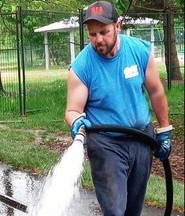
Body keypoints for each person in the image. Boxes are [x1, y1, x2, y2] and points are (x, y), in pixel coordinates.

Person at [64, 1, 172, 216]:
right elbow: (72, 110)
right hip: (106, 143)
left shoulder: (139, 51)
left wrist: (164, 130)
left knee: (133, 208)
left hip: (141, 138)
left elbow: (156, 92)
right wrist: (76, 122)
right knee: (115, 210)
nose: (98, 40)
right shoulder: (82, 66)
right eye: (93, 34)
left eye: (104, 32)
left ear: (117, 26)